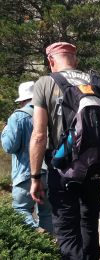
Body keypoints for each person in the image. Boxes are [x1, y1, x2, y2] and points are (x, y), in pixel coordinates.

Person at [29, 42, 100, 259]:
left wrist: (35, 177)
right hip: (96, 164)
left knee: (67, 229)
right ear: (76, 60)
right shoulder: (97, 83)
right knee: (89, 222)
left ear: (51, 61)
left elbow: (39, 135)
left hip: (62, 167)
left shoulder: (45, 83)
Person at [1, 81, 53, 234]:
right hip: (49, 173)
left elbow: (9, 146)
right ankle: (49, 248)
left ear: (23, 100)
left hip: (26, 174)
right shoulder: (49, 113)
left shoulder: (18, 117)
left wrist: (4, 132)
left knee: (20, 209)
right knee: (47, 213)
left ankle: (35, 238)